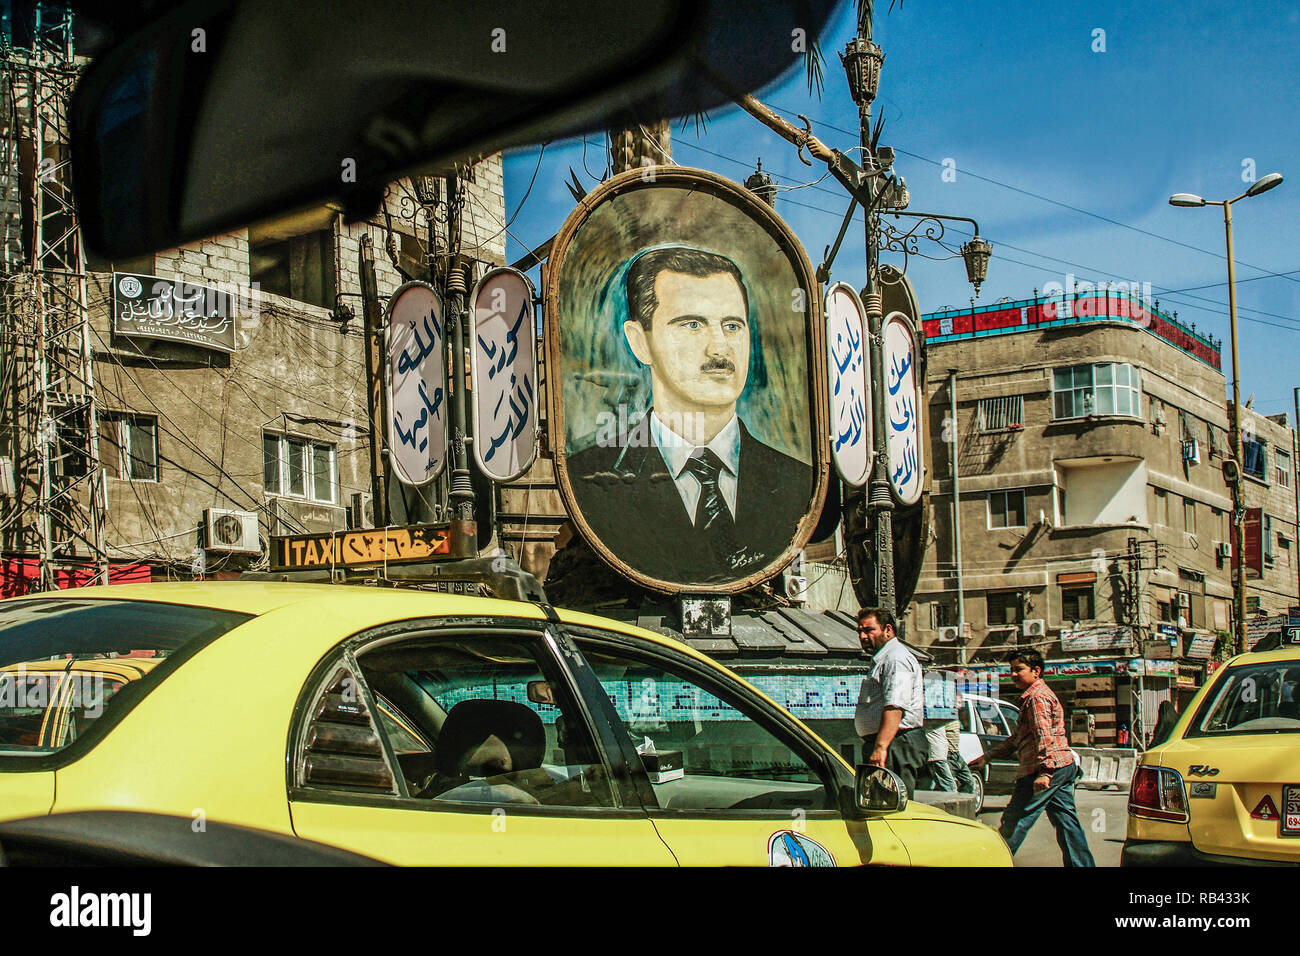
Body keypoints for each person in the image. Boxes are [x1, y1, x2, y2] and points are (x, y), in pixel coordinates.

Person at [565, 246, 813, 583]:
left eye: (733, 326)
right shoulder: (587, 480)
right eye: (692, 324)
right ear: (640, 342)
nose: (719, 348)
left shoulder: (796, 483)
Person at [971, 650, 1095, 867]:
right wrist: (987, 757)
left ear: (1036, 671)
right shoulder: (1035, 696)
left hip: (1045, 769)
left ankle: (992, 863)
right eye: (1011, 670)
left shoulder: (1037, 697)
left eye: (1019, 670)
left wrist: (1045, 773)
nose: (1013, 675)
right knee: (1067, 824)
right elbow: (1018, 738)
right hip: (1063, 765)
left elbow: (1042, 735)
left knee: (1015, 820)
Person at [854, 607, 927, 797]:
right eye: (860, 631)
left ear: (888, 630)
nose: (863, 636)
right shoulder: (883, 658)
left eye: (869, 630)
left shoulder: (896, 658)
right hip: (888, 743)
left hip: (895, 743)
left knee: (891, 806)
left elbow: (895, 706)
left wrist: (881, 747)